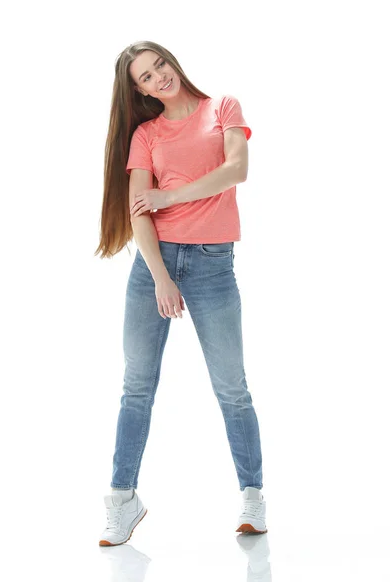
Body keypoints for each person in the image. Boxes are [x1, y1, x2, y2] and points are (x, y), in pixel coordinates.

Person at [95, 40, 268, 546]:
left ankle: (253, 496)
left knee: (232, 387)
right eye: (145, 78)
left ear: (173, 62)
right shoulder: (146, 134)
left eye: (159, 66)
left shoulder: (224, 108)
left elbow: (237, 169)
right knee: (137, 387)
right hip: (155, 266)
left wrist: (169, 194)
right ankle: (123, 499)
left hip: (214, 264)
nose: (157, 79)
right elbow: (137, 213)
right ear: (139, 91)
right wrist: (161, 277)